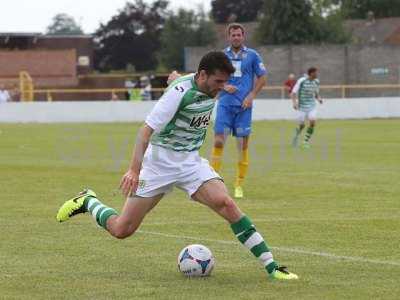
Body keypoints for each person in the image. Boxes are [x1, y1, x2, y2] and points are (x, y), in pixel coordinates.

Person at [56, 51, 298, 281]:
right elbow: (145, 132)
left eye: (225, 82)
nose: (221, 87)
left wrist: (180, 77)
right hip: (159, 165)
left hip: (190, 163)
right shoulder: (177, 94)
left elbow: (188, 79)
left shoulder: (205, 84)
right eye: (218, 81)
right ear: (203, 75)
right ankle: (88, 200)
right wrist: (133, 170)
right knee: (122, 229)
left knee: (227, 204)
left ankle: (272, 266)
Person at [168, 23, 267, 199]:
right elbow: (212, 78)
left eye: (239, 35)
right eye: (233, 35)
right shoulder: (222, 57)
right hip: (224, 104)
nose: (236, 37)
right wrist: (225, 86)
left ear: (243, 36)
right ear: (228, 37)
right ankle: (213, 181)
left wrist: (251, 95)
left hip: (244, 106)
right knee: (219, 142)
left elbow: (262, 77)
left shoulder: (252, 55)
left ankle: (239, 184)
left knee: (242, 146)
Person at [291, 67, 323, 148]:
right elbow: (294, 92)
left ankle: (305, 141)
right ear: (311, 73)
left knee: (312, 121)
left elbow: (316, 93)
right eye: (315, 73)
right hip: (301, 107)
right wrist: (294, 103)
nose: (317, 74)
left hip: (312, 106)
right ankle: (296, 136)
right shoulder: (301, 81)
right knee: (302, 125)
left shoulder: (316, 81)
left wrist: (319, 98)